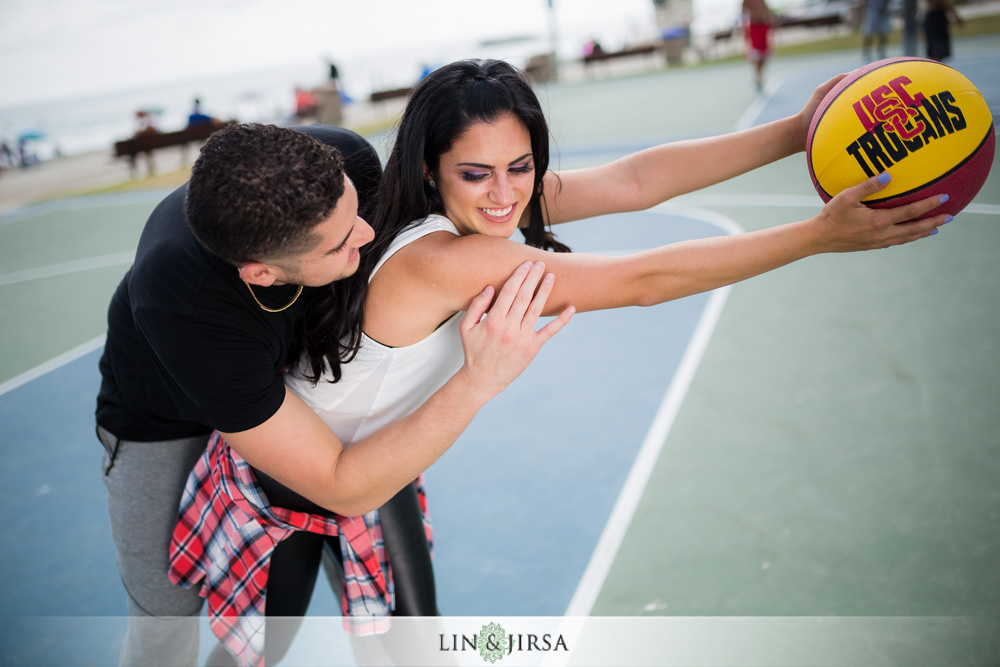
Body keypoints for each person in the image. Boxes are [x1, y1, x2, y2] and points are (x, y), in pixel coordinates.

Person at [181, 59, 952, 666]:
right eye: (477, 173)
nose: (505, 194)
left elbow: (633, 181)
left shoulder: (459, 205)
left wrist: (798, 131)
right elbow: (643, 282)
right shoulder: (443, 258)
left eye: (521, 167)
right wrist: (815, 236)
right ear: (430, 169)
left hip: (380, 468)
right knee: (261, 648)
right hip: (286, 483)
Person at [95, 122, 571, 667]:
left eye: (356, 213)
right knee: (165, 614)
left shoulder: (342, 162)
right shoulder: (186, 306)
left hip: (304, 390)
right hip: (165, 421)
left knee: (397, 617)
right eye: (343, 241)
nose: (369, 235)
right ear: (263, 274)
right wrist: (478, 380)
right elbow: (340, 484)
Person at [742, 0, 776, 91]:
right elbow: (743, 14)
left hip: (763, 25)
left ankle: (759, 76)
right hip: (754, 26)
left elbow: (766, 9)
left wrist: (771, 20)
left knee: (765, 56)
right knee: (757, 55)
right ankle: (757, 78)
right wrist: (744, 31)